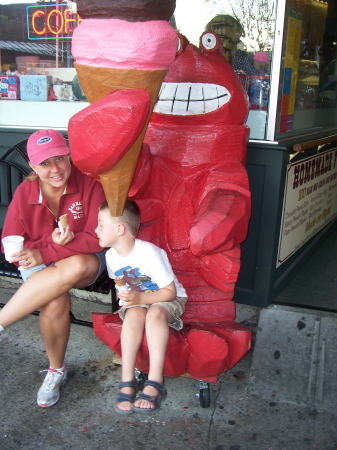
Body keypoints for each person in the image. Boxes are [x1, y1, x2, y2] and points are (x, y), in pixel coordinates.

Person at [0, 129, 106, 407]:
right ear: (33, 167)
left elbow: (97, 237)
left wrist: (48, 249)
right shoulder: (25, 192)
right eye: (45, 163)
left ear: (69, 156)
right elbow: (9, 243)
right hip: (40, 263)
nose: (55, 168)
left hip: (85, 262)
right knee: (55, 300)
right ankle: (56, 370)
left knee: (78, 263)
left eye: (60, 158)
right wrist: (35, 251)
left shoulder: (90, 185)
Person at [95, 199, 187, 414]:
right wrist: (127, 302)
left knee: (154, 313)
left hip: (168, 299)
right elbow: (122, 285)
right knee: (134, 315)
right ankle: (127, 378)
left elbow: (169, 292)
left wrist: (138, 299)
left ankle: (155, 380)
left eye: (100, 224)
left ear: (119, 229)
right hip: (140, 299)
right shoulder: (110, 256)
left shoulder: (149, 253)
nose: (95, 229)